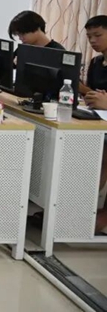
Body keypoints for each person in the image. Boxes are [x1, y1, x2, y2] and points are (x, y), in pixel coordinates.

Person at [79, 16, 107, 233]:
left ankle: (100, 214)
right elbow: (92, 94)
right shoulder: (96, 63)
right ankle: (80, 206)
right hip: (98, 119)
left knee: (103, 154)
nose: (93, 41)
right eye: (89, 37)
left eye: (98, 35)